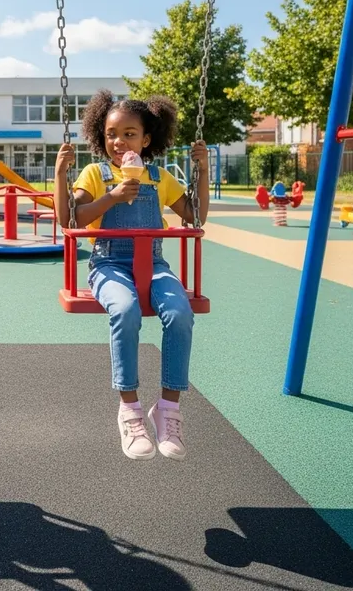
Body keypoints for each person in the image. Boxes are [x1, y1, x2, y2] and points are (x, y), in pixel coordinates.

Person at [54, 92, 209, 462]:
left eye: (129, 134)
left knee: (180, 312)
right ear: (100, 137)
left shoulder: (159, 177)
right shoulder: (96, 174)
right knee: (125, 311)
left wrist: (202, 171)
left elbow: (196, 215)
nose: (119, 142)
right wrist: (104, 194)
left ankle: (168, 410)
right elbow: (70, 218)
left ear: (146, 139)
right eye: (111, 134)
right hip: (108, 265)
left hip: (154, 266)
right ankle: (130, 411)